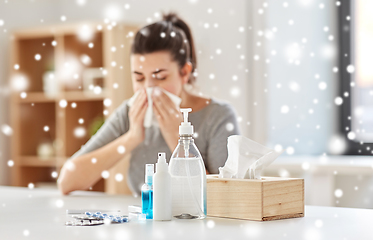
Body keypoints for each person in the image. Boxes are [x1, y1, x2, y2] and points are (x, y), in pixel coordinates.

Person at [58, 12, 240, 196]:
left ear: (184, 72)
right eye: (139, 78)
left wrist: (177, 139)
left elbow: (226, 197)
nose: (148, 88)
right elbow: (66, 181)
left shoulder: (217, 117)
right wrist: (132, 137)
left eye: (160, 77)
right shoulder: (130, 113)